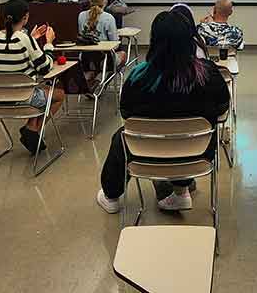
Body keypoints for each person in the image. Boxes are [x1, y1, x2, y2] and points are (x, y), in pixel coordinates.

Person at [95, 11, 231, 213]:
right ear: (190, 40)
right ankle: (181, 190)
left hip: (145, 156)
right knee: (186, 137)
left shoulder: (138, 77)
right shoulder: (208, 73)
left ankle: (111, 196)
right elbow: (223, 107)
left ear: (154, 40)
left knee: (121, 137)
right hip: (197, 155)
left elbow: (126, 113)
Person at [0, 0, 65, 153]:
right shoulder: (25, 39)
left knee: (40, 92)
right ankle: (34, 130)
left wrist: (33, 39)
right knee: (58, 95)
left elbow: (14, 53)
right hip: (23, 98)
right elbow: (45, 67)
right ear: (25, 18)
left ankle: (31, 129)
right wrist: (48, 43)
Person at [77, 0, 126, 67]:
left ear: (90, 1)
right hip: (105, 58)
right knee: (123, 54)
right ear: (105, 2)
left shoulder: (81, 15)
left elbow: (81, 36)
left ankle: (93, 75)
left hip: (85, 58)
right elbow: (115, 45)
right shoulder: (109, 18)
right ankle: (108, 77)